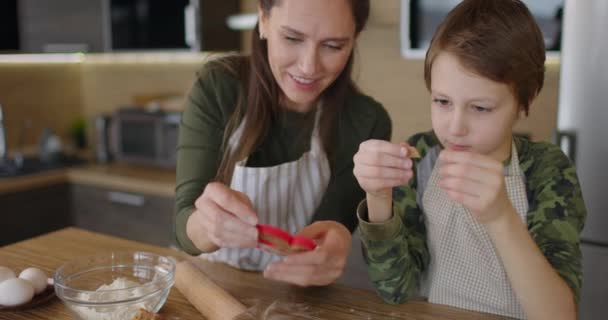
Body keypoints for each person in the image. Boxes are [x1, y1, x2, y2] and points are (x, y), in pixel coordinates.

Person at [352, 0, 586, 319]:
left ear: (524, 103)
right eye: (443, 101)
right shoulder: (421, 158)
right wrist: (378, 196)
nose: (455, 127)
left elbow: (559, 315)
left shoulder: (548, 171)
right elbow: (396, 290)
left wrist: (500, 216)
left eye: (480, 108)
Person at [174, 0, 391, 287]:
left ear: (355, 39)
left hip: (300, 295)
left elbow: (332, 225)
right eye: (292, 38)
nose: (308, 66)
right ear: (263, 20)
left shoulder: (367, 121)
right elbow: (183, 223)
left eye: (333, 46)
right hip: (211, 284)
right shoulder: (219, 85)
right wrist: (205, 225)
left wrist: (334, 241)